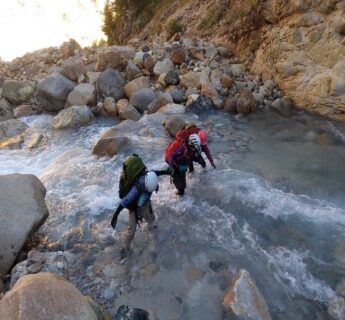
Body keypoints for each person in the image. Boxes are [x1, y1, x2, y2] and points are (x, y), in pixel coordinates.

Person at [111, 154, 170, 260]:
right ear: (145, 185)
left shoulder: (151, 177)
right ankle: (125, 248)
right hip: (133, 205)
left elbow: (156, 172)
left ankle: (152, 244)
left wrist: (167, 172)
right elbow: (124, 201)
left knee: (151, 220)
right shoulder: (137, 188)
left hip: (145, 202)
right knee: (132, 230)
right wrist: (115, 215)